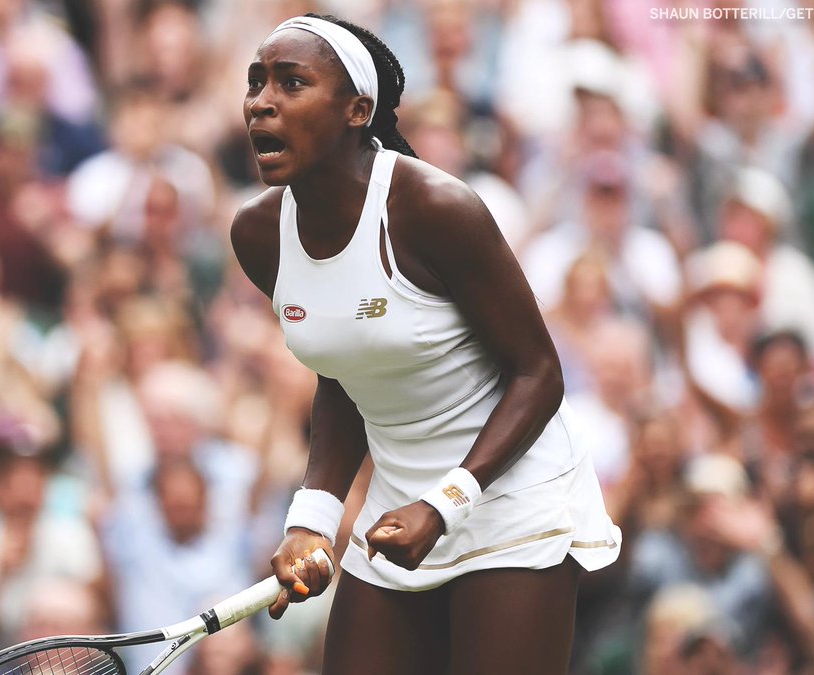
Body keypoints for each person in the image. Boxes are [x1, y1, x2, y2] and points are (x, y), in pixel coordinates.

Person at [229, 13, 621, 673]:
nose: (261, 102)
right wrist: (314, 519)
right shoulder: (259, 235)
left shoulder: (435, 208)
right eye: (256, 82)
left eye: (290, 83)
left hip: (510, 497)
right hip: (398, 507)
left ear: (358, 110)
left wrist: (445, 505)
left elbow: (538, 374)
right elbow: (345, 373)